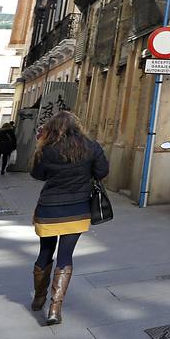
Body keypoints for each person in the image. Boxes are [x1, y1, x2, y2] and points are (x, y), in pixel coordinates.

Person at [30, 111, 108, 326]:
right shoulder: (91, 147)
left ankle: (39, 298)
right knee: (65, 256)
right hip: (77, 208)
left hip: (49, 209)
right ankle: (55, 309)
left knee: (45, 252)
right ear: (77, 126)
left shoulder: (46, 148)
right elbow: (102, 171)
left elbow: (37, 175)